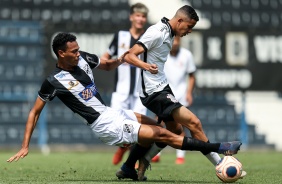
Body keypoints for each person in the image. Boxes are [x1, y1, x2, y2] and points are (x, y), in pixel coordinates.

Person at [7, 33, 242, 181]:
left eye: (79, 49)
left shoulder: (83, 59)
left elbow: (106, 65)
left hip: (112, 112)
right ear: (61, 53)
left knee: (170, 130)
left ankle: (129, 168)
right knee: (163, 134)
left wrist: (121, 59)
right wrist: (25, 145)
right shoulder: (53, 81)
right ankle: (220, 148)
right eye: (74, 51)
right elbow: (34, 111)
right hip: (103, 124)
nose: (79, 53)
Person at [118, 5, 246, 181]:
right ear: (179, 21)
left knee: (173, 130)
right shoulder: (157, 32)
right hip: (153, 92)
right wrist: (146, 66)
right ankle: (220, 164)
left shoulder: (170, 32)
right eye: (189, 26)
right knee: (194, 123)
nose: (190, 31)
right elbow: (129, 55)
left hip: (162, 88)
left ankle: (132, 165)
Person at [101, 2, 149, 165]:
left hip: (140, 90)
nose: (140, 19)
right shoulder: (120, 36)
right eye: (137, 15)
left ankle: (134, 159)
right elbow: (106, 56)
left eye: (143, 16)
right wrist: (114, 61)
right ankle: (123, 147)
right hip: (120, 90)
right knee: (117, 124)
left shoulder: (148, 37)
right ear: (131, 17)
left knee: (138, 125)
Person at [151, 35, 196, 164]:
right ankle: (156, 154)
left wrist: (189, 92)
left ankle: (180, 155)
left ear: (180, 41)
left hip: (181, 94)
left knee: (182, 124)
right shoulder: (162, 55)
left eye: (177, 40)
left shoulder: (187, 55)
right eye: (173, 40)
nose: (175, 43)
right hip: (164, 94)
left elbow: (192, 76)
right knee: (159, 123)